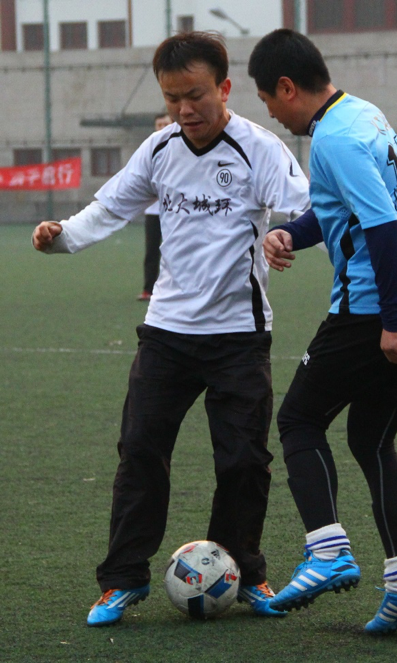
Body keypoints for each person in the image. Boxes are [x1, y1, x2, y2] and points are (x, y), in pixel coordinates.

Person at [32, 31, 310, 627]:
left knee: (243, 461)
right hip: (166, 333)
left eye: (195, 95)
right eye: (173, 98)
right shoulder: (158, 149)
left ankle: (245, 571)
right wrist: (63, 237)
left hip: (239, 335)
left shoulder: (259, 149)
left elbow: (306, 206)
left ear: (224, 89)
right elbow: (111, 206)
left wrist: (287, 235)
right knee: (140, 451)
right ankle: (123, 579)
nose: (185, 109)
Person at [248, 29, 397, 634]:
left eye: (268, 100)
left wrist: (391, 323)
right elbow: (342, 210)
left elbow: (383, 228)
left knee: (298, 419)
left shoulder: (334, 138)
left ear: (287, 87)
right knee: (370, 438)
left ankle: (327, 550)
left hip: (377, 309)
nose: (271, 113)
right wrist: (290, 231)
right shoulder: (362, 114)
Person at [137, 112, 172, 301]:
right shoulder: (149, 151)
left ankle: (175, 289)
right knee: (151, 251)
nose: (162, 128)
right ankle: (148, 289)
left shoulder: (181, 150)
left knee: (175, 250)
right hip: (153, 212)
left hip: (175, 211)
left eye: (165, 124)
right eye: (159, 125)